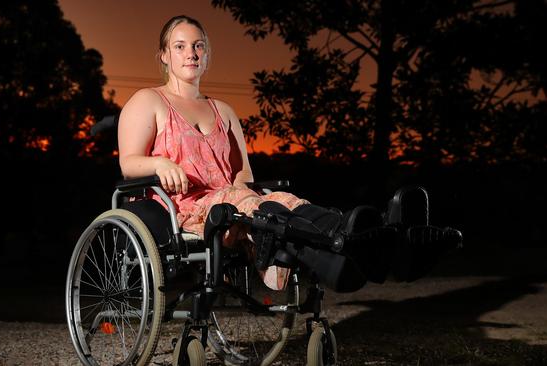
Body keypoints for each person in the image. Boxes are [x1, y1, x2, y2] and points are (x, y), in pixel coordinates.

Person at [117, 15, 457, 292]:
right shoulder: (149, 101)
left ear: (207, 55)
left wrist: (251, 194)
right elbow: (128, 163)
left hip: (233, 200)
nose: (190, 53)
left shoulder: (223, 111)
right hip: (185, 207)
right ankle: (351, 249)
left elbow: (243, 175)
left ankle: (386, 236)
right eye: (180, 46)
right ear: (164, 55)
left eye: (198, 46)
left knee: (285, 201)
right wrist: (160, 163)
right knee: (258, 208)